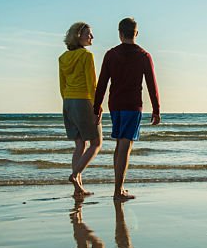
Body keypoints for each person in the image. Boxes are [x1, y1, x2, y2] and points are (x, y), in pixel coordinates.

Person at [93, 16, 161, 200]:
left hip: (114, 104)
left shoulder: (111, 54)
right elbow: (151, 84)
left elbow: (102, 84)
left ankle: (119, 188)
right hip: (132, 105)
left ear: (120, 33)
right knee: (125, 145)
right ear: (136, 33)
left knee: (120, 145)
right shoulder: (144, 55)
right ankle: (117, 191)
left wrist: (96, 106)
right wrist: (156, 109)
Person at [59, 22, 102, 196]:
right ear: (79, 36)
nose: (92, 37)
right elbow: (92, 84)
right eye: (89, 34)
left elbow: (62, 85)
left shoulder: (63, 57)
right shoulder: (86, 55)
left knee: (79, 144)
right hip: (84, 100)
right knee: (96, 143)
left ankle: (78, 189)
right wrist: (97, 106)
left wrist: (67, 103)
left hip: (68, 101)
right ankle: (75, 175)